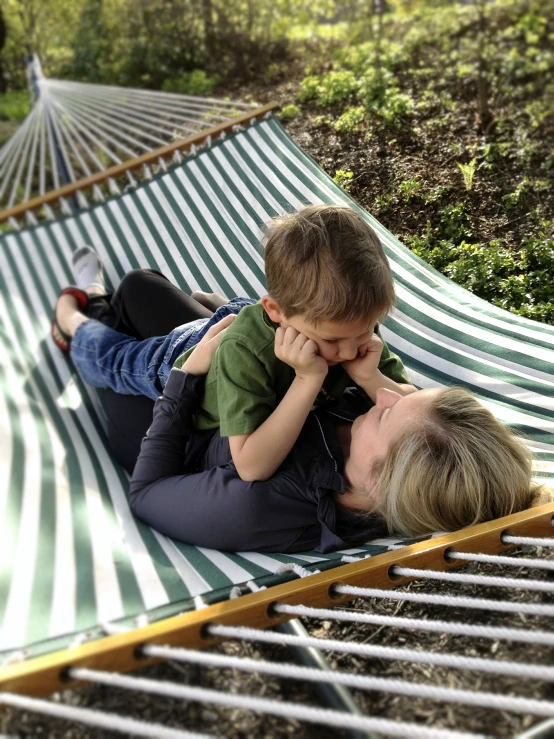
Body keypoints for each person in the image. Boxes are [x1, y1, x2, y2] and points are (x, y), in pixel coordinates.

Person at [52, 244, 540, 552]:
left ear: (380, 476)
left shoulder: (264, 506)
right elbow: (389, 392)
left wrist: (187, 376)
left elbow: (147, 494)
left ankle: (76, 317)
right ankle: (121, 307)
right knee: (140, 285)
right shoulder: (406, 438)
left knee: (119, 346)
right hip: (234, 384)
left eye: (388, 415)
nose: (386, 399)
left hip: (172, 428)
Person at [54, 205, 417, 483]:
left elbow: (416, 411)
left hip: (240, 325)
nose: (350, 352)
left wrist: (371, 378)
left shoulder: (350, 326)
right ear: (276, 310)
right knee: (110, 359)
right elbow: (250, 466)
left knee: (140, 285)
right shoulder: (247, 354)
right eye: (333, 341)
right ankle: (74, 314)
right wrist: (308, 381)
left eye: (365, 332)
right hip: (182, 365)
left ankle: (202, 305)